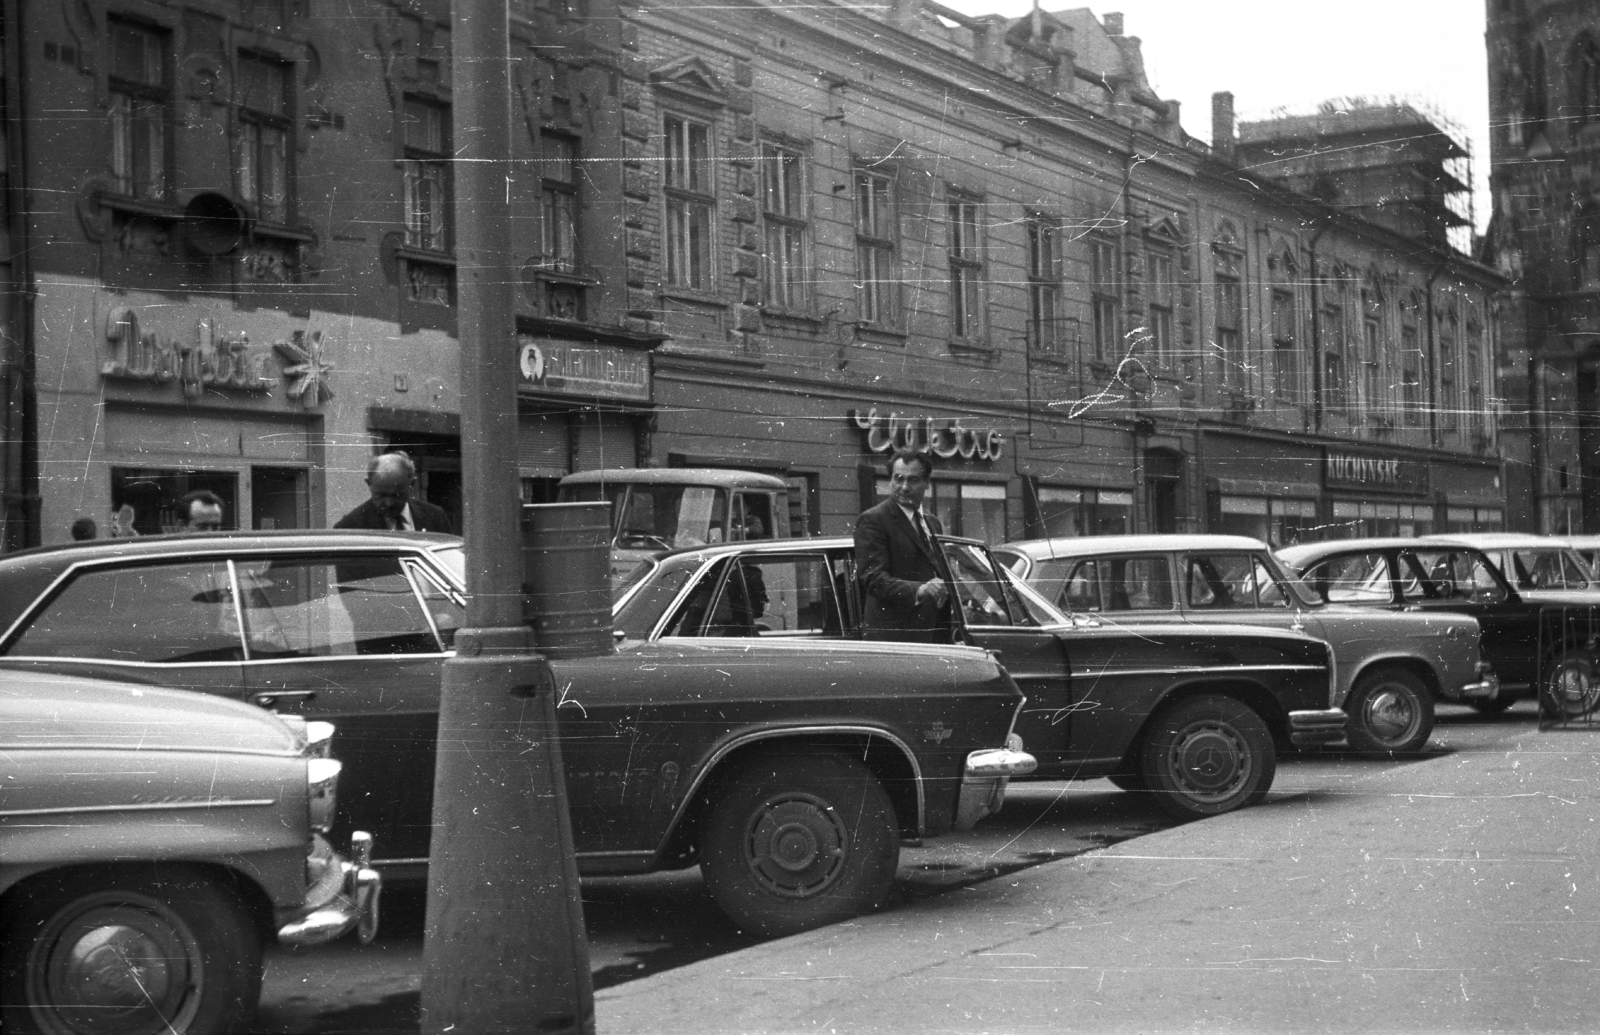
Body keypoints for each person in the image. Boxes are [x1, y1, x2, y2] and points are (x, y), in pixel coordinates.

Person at [854, 449, 952, 643]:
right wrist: (921, 590)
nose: (904, 487)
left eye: (913, 480)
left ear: (927, 484)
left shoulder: (933, 522)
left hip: (934, 636)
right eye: (898, 479)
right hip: (895, 640)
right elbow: (874, 579)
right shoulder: (873, 520)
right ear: (890, 480)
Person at [335, 451, 454, 533]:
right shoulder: (351, 527)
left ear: (412, 484)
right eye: (381, 495)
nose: (389, 503)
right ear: (369, 483)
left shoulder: (435, 517)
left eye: (397, 495)